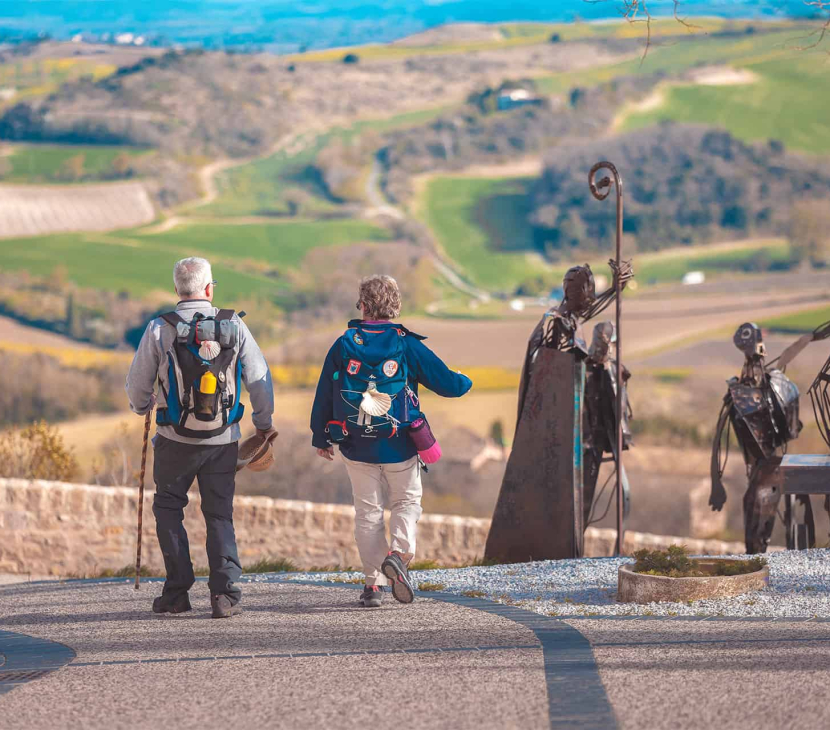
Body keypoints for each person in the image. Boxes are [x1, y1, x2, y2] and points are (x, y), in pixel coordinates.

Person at [311, 275, 472, 608]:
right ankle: (398, 555)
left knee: (367, 514)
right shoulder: (406, 344)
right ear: (395, 306)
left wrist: (320, 435)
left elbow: (325, 391)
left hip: (355, 444)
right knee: (406, 502)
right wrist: (465, 381)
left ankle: (374, 585)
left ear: (363, 306)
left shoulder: (343, 344)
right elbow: (448, 384)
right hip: (400, 444)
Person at [126, 257, 275, 618]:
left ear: (177, 289)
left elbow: (137, 386)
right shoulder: (234, 325)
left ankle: (177, 592)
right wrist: (263, 423)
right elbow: (259, 378)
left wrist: (143, 405)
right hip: (222, 441)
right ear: (209, 289)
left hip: (173, 439)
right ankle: (225, 595)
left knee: (168, 510)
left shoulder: (159, 329)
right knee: (219, 514)